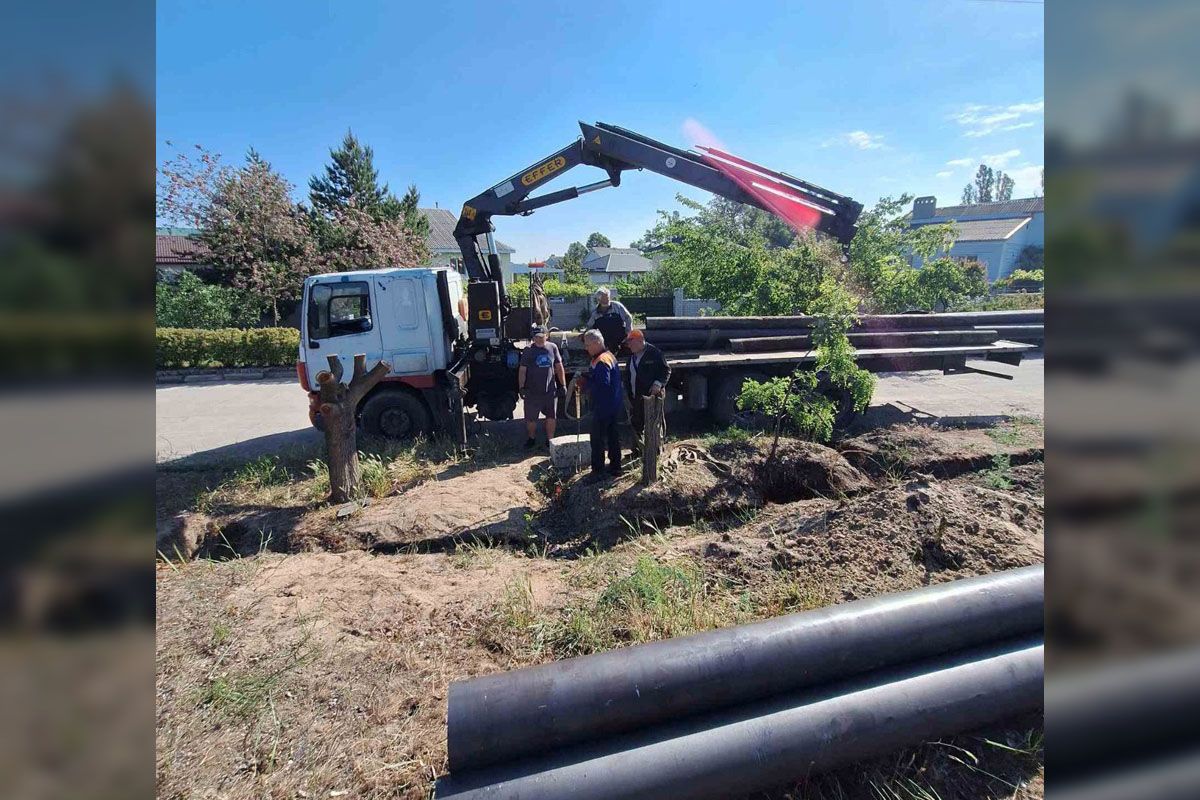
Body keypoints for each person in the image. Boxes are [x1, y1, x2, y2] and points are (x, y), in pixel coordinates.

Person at [579, 329, 624, 479]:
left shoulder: (601, 361)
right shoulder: (609, 356)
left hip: (603, 405)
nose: (586, 348)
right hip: (614, 403)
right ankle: (616, 467)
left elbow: (603, 384)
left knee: (597, 439)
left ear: (597, 343)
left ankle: (598, 470)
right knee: (613, 436)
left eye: (588, 345)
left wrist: (585, 383)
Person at [624, 329, 672, 458]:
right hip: (636, 397)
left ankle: (655, 452)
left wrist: (658, 383)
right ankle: (638, 452)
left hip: (652, 397)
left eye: (631, 343)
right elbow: (628, 376)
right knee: (636, 423)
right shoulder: (632, 357)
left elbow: (666, 370)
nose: (629, 346)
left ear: (640, 340)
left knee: (654, 424)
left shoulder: (655, 353)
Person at [518, 326, 567, 449]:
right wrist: (521, 387)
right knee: (531, 418)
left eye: (541, 336)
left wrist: (563, 384)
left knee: (551, 416)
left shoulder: (552, 347)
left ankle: (550, 439)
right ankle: (531, 438)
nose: (539, 339)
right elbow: (522, 370)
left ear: (547, 335)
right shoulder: (528, 350)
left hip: (550, 390)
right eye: (536, 337)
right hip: (532, 391)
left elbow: (559, 367)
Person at [585, 287, 633, 354]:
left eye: (608, 297)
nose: (607, 299)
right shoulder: (595, 313)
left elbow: (628, 317)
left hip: (619, 338)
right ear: (599, 299)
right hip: (605, 341)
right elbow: (589, 326)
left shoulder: (617, 306)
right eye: (604, 298)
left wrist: (628, 332)